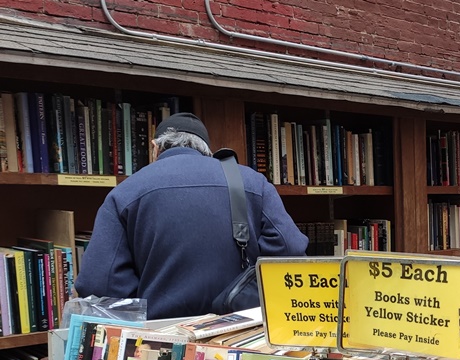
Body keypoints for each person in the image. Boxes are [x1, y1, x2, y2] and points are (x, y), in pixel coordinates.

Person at [75, 112, 307, 318]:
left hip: (161, 340)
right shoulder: (252, 182)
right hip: (242, 333)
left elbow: (98, 282)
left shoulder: (125, 192)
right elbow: (291, 251)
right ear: (207, 149)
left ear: (155, 147)